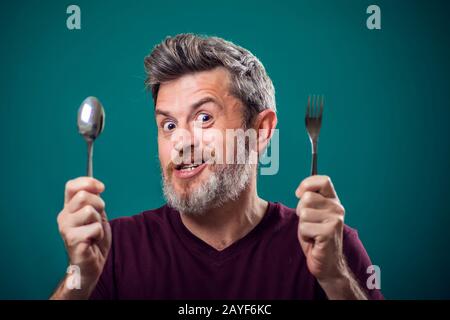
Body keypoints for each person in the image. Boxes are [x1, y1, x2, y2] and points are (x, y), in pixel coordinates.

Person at [50, 33, 383, 300]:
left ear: (261, 130)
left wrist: (336, 278)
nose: (180, 142)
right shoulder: (113, 248)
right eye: (168, 125)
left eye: (203, 117)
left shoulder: (327, 244)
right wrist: (79, 280)